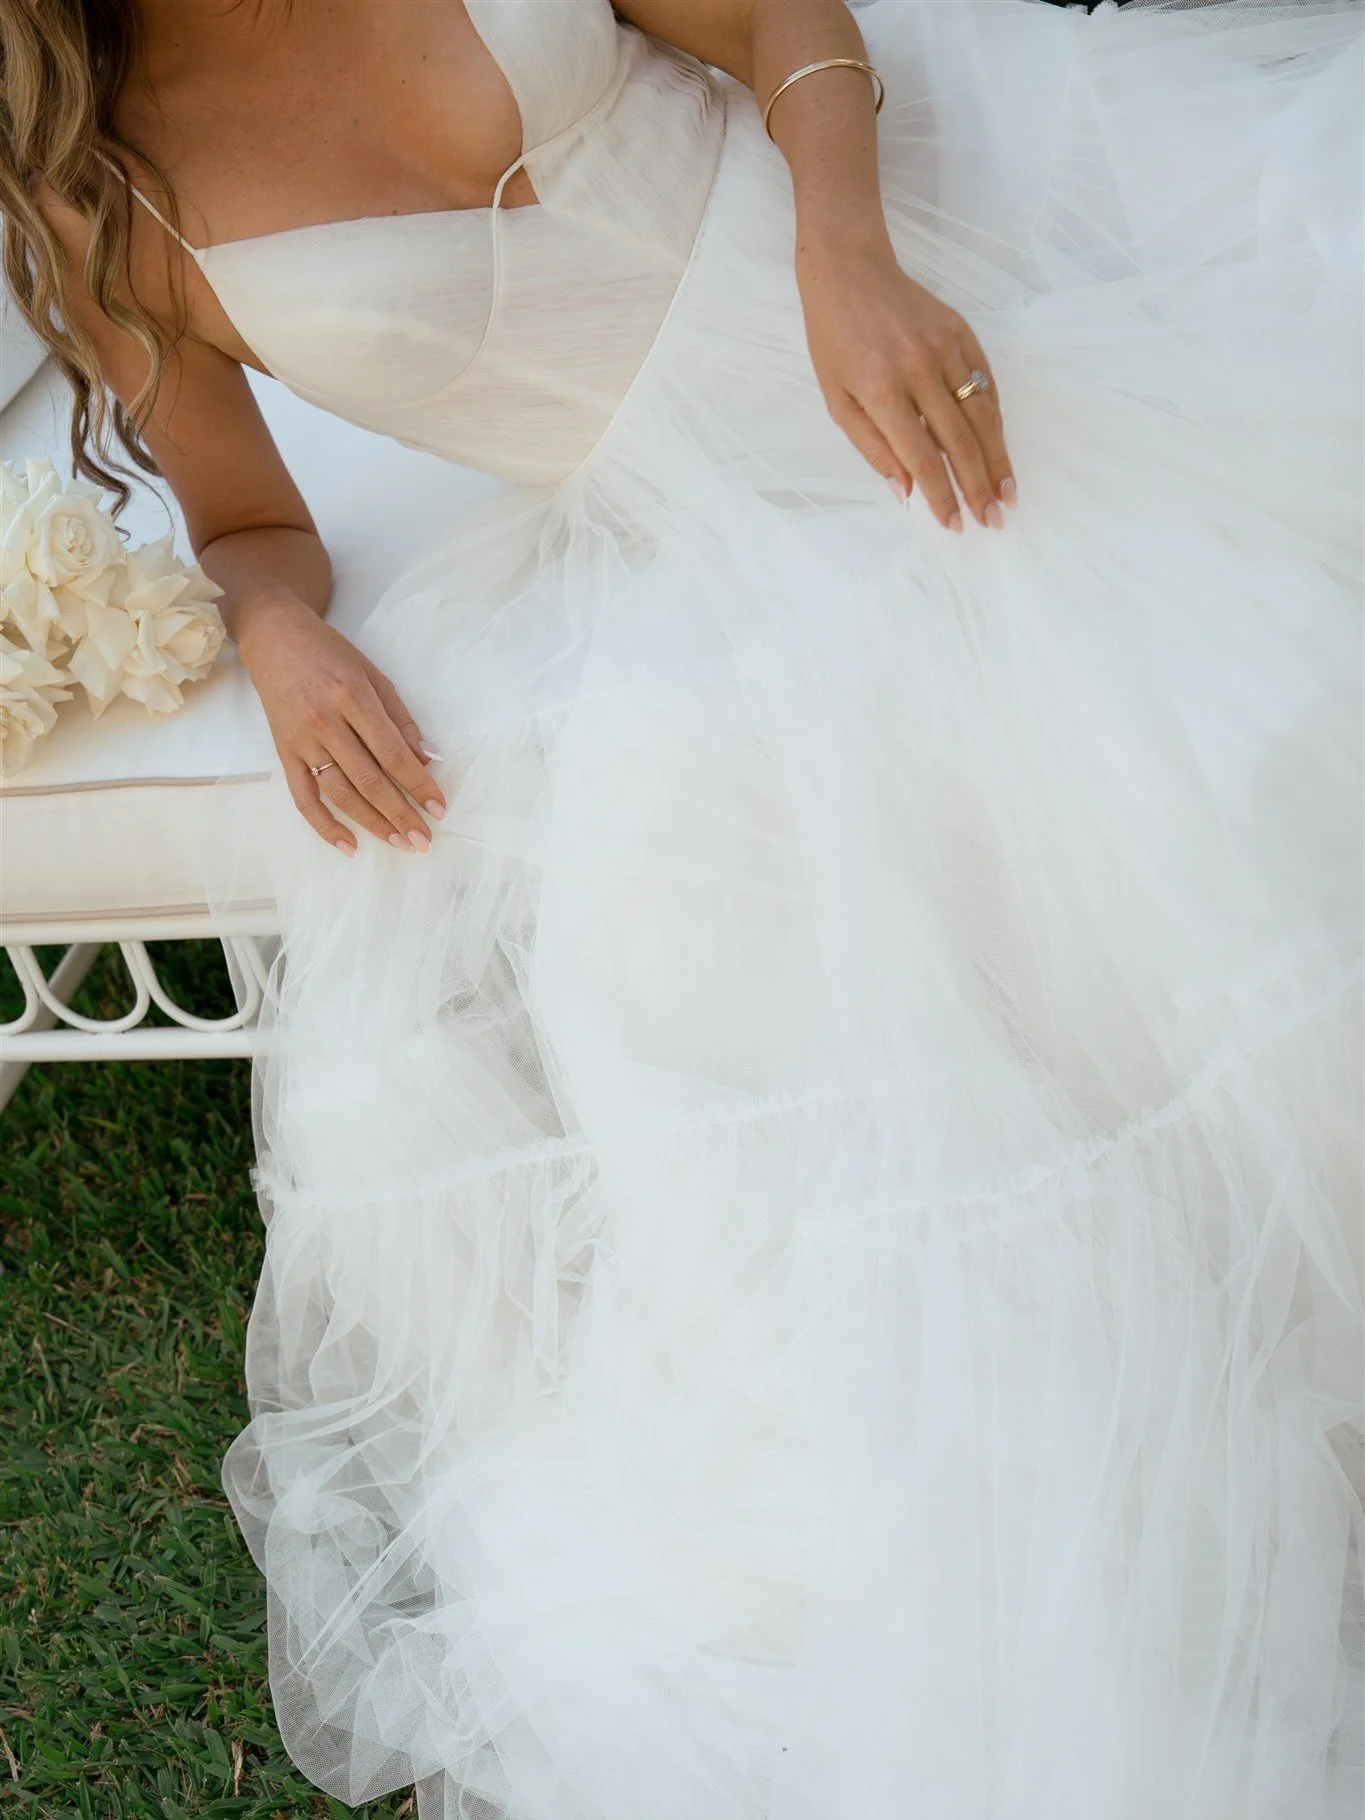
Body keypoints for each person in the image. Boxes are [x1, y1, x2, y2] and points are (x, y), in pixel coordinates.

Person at [2, 1, 1361, 1814]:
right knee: (730, 950)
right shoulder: (105, 204)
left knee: (1211, 696)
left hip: (923, 304)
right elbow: (248, 523)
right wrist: (283, 628)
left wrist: (847, 253)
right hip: (657, 544)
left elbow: (776, 16)